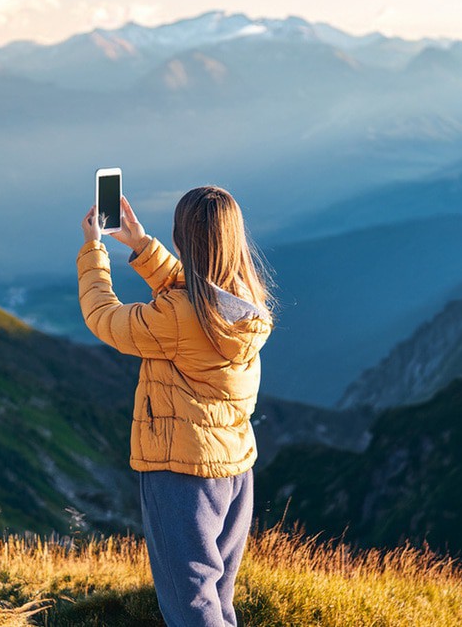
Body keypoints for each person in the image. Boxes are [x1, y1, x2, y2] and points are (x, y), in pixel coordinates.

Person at [77, 186, 274, 627]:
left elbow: (103, 317)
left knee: (190, 608)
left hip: (181, 474)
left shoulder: (178, 316)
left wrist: (94, 251)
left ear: (182, 238)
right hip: (235, 471)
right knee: (217, 600)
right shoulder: (243, 300)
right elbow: (193, 290)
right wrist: (142, 247)